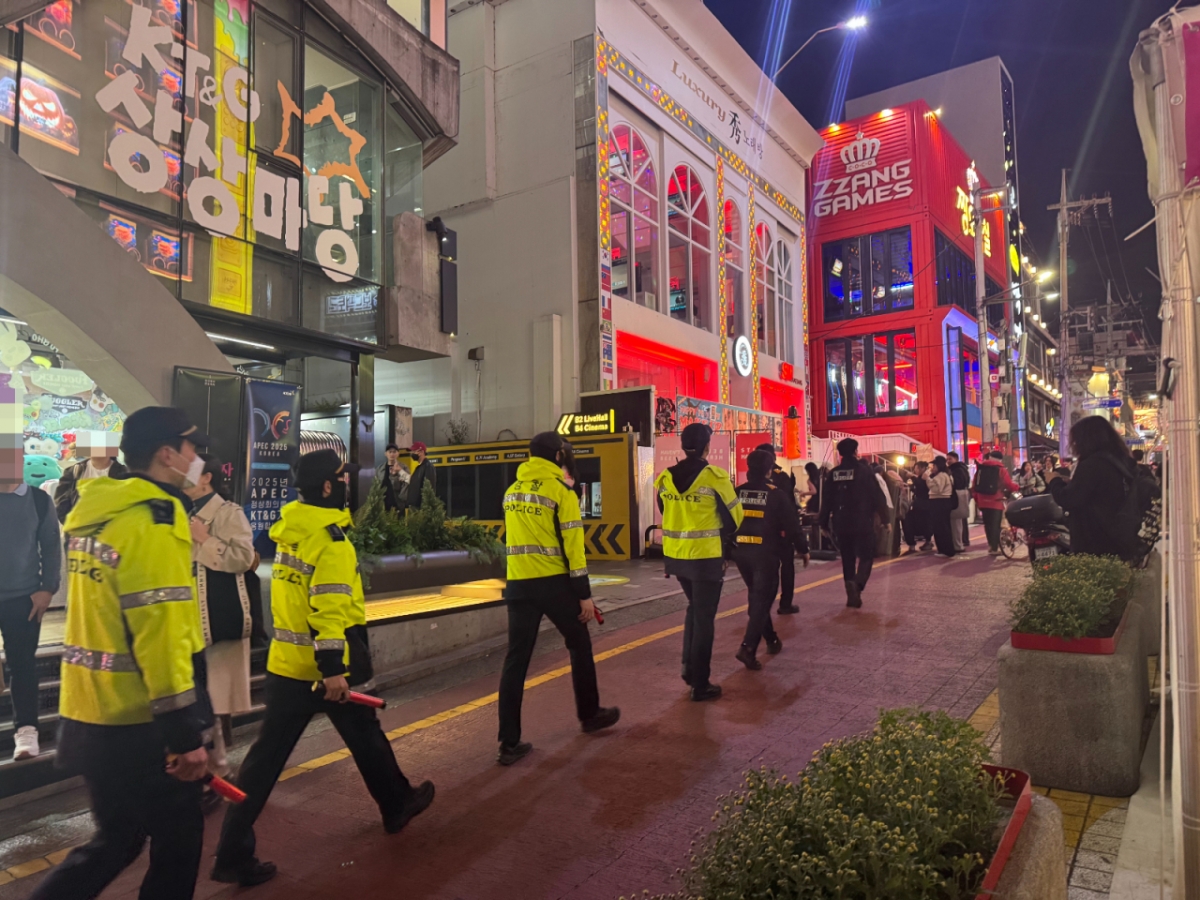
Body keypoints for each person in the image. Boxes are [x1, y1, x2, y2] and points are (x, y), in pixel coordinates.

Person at [213, 449, 434, 887]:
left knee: (263, 763)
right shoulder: (331, 541)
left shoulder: (289, 532)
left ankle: (231, 852)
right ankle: (396, 805)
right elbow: (328, 608)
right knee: (365, 736)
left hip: (285, 665)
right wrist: (332, 668)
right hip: (327, 669)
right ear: (329, 488)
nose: (349, 486)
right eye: (343, 479)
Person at [31, 407, 211, 900]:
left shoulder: (95, 511)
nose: (198, 460)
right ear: (167, 454)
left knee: (117, 840)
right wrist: (183, 732)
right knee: (178, 838)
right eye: (193, 450)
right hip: (139, 721)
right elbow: (161, 628)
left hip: (87, 710)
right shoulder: (155, 518)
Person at [496, 432, 620, 766]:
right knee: (579, 642)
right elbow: (573, 547)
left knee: (515, 661)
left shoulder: (512, 491)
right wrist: (584, 596)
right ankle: (590, 713)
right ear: (557, 457)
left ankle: (508, 742)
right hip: (552, 584)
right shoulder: (560, 491)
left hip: (519, 584)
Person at [655, 423, 743, 701]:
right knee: (705, 618)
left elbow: (663, 508)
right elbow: (734, 518)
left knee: (695, 609)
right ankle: (700, 683)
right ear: (707, 447)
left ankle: (689, 670)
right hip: (705, 558)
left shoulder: (665, 478)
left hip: (676, 557)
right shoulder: (714, 477)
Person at [185, 455, 257, 782]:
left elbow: (245, 558)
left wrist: (204, 539)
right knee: (200, 694)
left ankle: (218, 767)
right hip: (188, 620)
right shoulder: (181, 515)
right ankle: (214, 765)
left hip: (216, 620)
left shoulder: (229, 513)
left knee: (212, 696)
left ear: (206, 479)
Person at [0, 441, 61, 762]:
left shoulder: (38, 500)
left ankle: (26, 732)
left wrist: (47, 588)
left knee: (22, 665)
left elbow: (51, 545)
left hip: (24, 598)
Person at [733, 450, 809, 670]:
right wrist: (803, 549)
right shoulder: (775, 494)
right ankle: (747, 647)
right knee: (762, 599)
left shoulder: (736, 492)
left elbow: (726, 522)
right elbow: (792, 525)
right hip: (765, 553)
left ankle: (772, 640)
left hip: (741, 554)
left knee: (758, 597)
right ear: (769, 470)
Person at [1046, 416, 1144, 559]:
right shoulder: (1119, 460)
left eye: (1075, 440)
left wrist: (1054, 480)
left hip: (1095, 541)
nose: (1074, 445)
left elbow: (1069, 498)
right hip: (1119, 537)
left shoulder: (1092, 464)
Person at [819, 438, 889, 607]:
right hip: (862, 521)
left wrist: (823, 523)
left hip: (841, 522)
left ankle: (851, 593)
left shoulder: (833, 473)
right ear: (855, 451)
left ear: (840, 453)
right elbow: (877, 496)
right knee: (866, 555)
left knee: (847, 558)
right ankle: (857, 584)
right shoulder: (865, 472)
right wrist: (886, 519)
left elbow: (826, 500)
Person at [754, 443, 800, 615]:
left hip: (760, 531)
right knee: (787, 566)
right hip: (781, 531)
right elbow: (788, 506)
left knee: (764, 567)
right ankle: (785, 603)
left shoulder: (750, 482)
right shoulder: (782, 476)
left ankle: (760, 603)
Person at [54, 431, 127, 522]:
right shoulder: (73, 471)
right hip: (79, 529)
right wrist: (71, 523)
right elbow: (61, 501)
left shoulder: (124, 473)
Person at [972, 450, 1020, 554]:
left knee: (987, 524)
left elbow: (974, 485)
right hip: (996, 501)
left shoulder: (981, 468)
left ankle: (991, 546)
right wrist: (1017, 487)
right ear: (1000, 459)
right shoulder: (1001, 469)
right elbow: (1007, 484)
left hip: (982, 501)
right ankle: (994, 548)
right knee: (995, 524)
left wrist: (977, 499)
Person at [924, 456, 957, 557]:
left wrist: (927, 479)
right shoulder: (944, 474)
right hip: (941, 502)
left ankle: (946, 550)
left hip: (940, 502)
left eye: (934, 465)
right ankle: (943, 550)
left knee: (941, 527)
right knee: (941, 526)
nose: (932, 468)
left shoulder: (942, 475)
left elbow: (937, 489)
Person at [902, 462, 933, 553]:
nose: (915, 470)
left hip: (925, 506)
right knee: (910, 522)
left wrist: (912, 477)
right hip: (918, 505)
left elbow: (922, 487)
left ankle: (927, 541)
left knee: (925, 524)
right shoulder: (919, 478)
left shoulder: (927, 476)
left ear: (922, 468)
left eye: (916, 468)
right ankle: (913, 544)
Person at [945, 451, 972, 551]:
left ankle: (960, 543)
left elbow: (957, 482)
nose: (948, 461)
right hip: (963, 494)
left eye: (950, 459)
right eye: (947, 459)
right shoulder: (962, 468)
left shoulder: (957, 470)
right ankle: (963, 540)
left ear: (956, 459)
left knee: (957, 520)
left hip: (958, 495)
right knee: (960, 519)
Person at [376, 442, 410, 512]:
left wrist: (399, 471)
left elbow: (409, 481)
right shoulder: (380, 469)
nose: (392, 454)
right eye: (390, 452)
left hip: (398, 504)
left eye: (394, 452)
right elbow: (376, 485)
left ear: (398, 453)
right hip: (382, 505)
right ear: (386, 454)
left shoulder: (403, 467)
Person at [406, 442, 435, 510]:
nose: (411, 453)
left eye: (413, 451)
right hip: (415, 507)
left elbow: (428, 489)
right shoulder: (419, 468)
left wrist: (425, 508)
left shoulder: (428, 467)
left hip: (420, 509)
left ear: (421, 452)